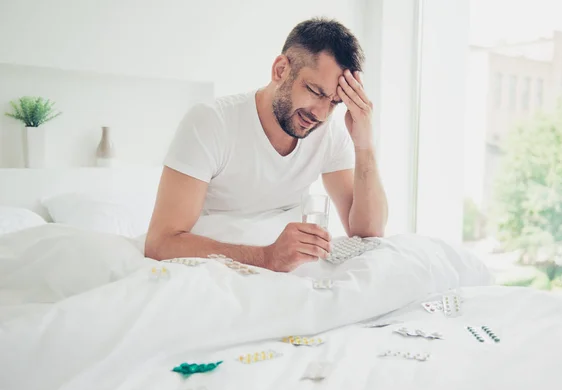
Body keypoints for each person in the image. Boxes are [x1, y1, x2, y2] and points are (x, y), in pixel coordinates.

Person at [145, 17, 388, 272]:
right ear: (281, 70)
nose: (321, 113)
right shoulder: (211, 123)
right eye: (315, 91)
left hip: (286, 276)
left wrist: (365, 145)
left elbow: (368, 231)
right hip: (211, 275)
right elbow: (160, 242)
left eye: (334, 102)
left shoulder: (329, 136)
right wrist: (266, 258)